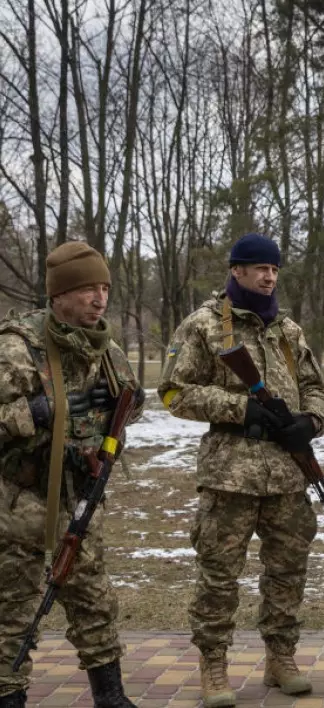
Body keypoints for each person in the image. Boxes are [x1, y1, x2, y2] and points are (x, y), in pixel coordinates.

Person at [158, 233, 324, 708]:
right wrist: (241, 409)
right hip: (229, 472)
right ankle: (213, 664)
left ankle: (281, 658)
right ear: (236, 271)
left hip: (287, 473)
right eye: (258, 268)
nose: (269, 276)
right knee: (218, 574)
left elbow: (316, 387)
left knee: (287, 572)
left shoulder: (288, 331)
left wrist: (309, 422)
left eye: (274, 269)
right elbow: (173, 392)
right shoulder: (204, 325)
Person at [0, 242, 144, 708]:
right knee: (12, 615)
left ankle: (112, 697)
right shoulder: (17, 348)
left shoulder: (108, 351)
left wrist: (98, 449)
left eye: (104, 287)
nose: (99, 298)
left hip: (79, 505)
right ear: (59, 294)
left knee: (95, 605)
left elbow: (125, 411)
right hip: (19, 506)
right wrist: (36, 412)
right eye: (86, 288)